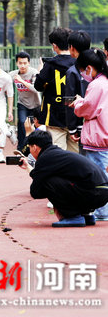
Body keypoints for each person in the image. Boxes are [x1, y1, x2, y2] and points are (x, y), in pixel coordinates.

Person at [18, 130, 108, 227]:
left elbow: (35, 192)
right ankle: (86, 215)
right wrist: (29, 168)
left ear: (34, 147)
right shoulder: (56, 153)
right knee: (63, 181)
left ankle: (72, 216)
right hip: (102, 192)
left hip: (94, 193)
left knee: (47, 182)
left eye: (30, 148)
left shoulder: (45, 158)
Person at [72, 49, 108, 221]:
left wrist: (78, 103)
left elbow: (88, 109)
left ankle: (102, 211)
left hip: (99, 137)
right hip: (103, 135)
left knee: (99, 176)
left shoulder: (97, 85)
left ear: (88, 68)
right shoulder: (104, 81)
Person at [33, 27, 78, 152]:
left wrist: (40, 72)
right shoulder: (78, 63)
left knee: (58, 153)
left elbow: (38, 86)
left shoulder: (50, 64)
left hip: (53, 115)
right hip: (75, 113)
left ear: (54, 45)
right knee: (75, 155)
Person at [65, 30, 91, 153]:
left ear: (72, 48)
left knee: (86, 160)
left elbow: (70, 101)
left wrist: (72, 128)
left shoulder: (72, 72)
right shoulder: (99, 67)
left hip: (83, 125)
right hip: (101, 122)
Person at [8, 51, 40, 151]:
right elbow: (2, 80)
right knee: (22, 122)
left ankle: (34, 147)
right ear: (17, 63)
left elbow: (35, 88)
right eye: (20, 63)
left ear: (29, 63)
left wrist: (21, 81)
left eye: (25, 63)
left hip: (35, 104)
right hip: (22, 103)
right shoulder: (13, 74)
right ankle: (21, 147)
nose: (22, 65)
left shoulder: (33, 73)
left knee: (34, 126)